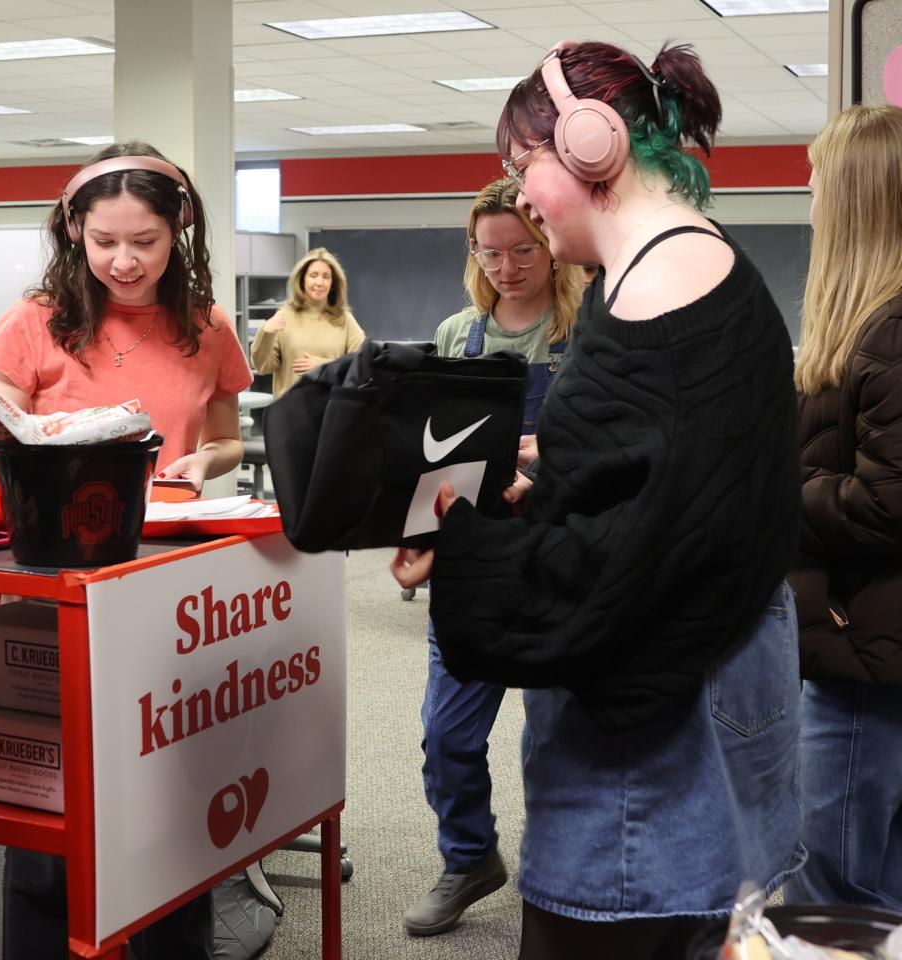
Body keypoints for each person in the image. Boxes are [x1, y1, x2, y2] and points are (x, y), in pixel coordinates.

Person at [392, 40, 804, 960]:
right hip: (728, 721)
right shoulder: (707, 266)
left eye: (522, 167)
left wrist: (459, 540)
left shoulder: (649, 301)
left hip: (648, 797)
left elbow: (607, 579)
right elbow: (673, 482)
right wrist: (559, 461)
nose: (525, 198)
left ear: (590, 142)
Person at [0, 140, 253, 960]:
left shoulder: (206, 325)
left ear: (179, 232)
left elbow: (225, 439)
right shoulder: (34, 321)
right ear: (73, 231)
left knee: (168, 800)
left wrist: (205, 461)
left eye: (146, 243)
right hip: (54, 589)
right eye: (105, 241)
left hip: (161, 584)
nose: (125, 261)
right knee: (54, 804)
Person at [782, 104, 902, 917]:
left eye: (819, 179)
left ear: (857, 197)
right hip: (872, 641)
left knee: (833, 880)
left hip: (873, 650)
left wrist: (772, 492)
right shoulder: (881, 323)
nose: (808, 193)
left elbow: (887, 505)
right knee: (876, 863)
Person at [405, 177, 584, 937]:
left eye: (523, 250)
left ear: (550, 246)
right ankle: (470, 855)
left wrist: (544, 464)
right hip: (473, 561)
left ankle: (557, 873)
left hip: (557, 559)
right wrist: (417, 535)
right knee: (447, 736)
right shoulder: (456, 336)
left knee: (555, 740)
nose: (507, 268)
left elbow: (607, 458)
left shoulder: (587, 333)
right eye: (491, 253)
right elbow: (429, 456)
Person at [249, 247, 365, 398]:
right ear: (302, 279)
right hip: (291, 411)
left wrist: (325, 367)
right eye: (313, 275)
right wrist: (265, 333)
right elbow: (262, 366)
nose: (319, 282)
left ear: (333, 283)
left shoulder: (344, 319)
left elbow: (362, 364)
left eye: (326, 276)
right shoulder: (285, 315)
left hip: (330, 412)